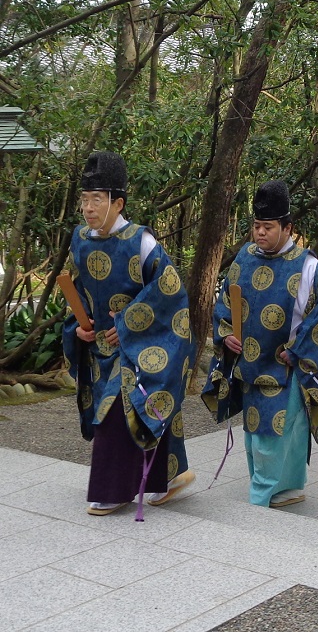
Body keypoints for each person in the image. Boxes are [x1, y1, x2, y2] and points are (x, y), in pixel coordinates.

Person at [62, 151, 195, 517]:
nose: (88, 208)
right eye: (84, 200)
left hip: (139, 343)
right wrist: (80, 327)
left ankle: (112, 489)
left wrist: (128, 324)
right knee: (148, 407)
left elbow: (171, 293)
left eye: (97, 200)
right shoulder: (80, 239)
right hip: (102, 344)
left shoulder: (142, 242)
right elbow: (77, 290)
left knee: (117, 411)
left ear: (117, 202)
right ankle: (171, 476)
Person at [202, 180, 318, 508]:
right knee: (256, 439)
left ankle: (263, 495)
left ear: (288, 227)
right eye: (256, 226)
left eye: (268, 227)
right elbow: (226, 302)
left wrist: (297, 351)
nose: (260, 234)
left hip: (287, 367)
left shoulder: (309, 267)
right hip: (250, 365)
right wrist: (225, 333)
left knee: (278, 435)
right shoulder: (244, 258)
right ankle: (288, 488)